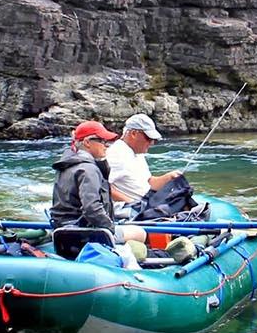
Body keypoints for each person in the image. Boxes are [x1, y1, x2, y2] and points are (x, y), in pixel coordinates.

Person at [50, 121, 146, 267]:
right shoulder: (88, 169)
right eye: (101, 141)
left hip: (62, 230)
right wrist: (110, 228)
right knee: (140, 233)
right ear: (87, 142)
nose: (106, 145)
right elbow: (91, 209)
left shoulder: (64, 166)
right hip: (84, 233)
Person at [106, 113, 184, 205]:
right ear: (133, 134)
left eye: (153, 139)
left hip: (148, 200)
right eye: (148, 138)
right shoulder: (116, 154)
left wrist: (169, 177)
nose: (152, 143)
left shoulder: (138, 153)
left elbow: (148, 182)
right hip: (132, 209)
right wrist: (132, 203)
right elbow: (104, 186)